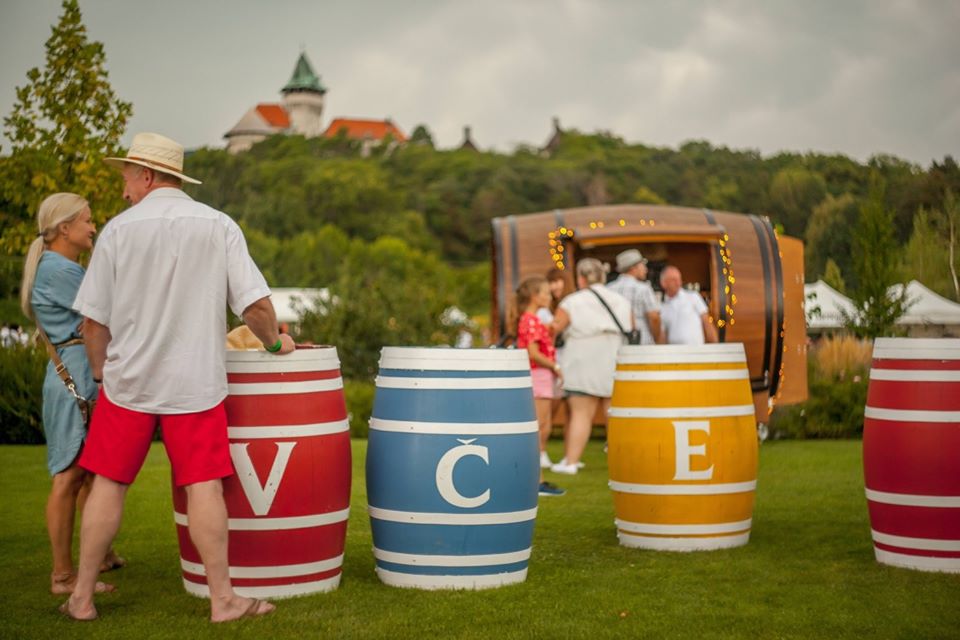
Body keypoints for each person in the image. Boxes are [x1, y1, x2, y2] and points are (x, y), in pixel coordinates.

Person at [61, 132, 296, 623]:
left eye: (127, 178)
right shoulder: (218, 226)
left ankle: (82, 597)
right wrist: (275, 343)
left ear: (147, 175)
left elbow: (93, 322)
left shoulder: (119, 232)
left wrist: (103, 371)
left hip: (128, 383)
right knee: (204, 487)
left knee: (108, 483)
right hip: (195, 382)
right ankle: (223, 601)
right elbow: (254, 306)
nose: (124, 191)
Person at [20, 193, 124, 596]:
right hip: (74, 380)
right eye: (87, 221)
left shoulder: (59, 267)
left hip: (76, 374)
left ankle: (102, 553)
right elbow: (110, 311)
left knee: (89, 472)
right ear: (64, 228)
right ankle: (63, 576)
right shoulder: (59, 270)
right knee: (69, 476)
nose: (93, 227)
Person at [550, 258, 631, 474]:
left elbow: (554, 329)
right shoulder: (621, 301)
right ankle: (623, 462)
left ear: (581, 278)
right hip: (614, 357)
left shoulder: (571, 302)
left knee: (581, 414)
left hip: (582, 360)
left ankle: (571, 462)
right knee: (614, 415)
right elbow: (631, 327)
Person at [513, 276, 564, 496]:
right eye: (544, 292)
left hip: (541, 376)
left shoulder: (531, 320)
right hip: (539, 376)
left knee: (543, 428)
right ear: (535, 296)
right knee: (539, 429)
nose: (548, 296)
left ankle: (538, 479)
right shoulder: (530, 320)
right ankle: (536, 481)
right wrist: (555, 366)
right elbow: (532, 353)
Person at [606, 248, 661, 345]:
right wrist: (656, 338)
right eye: (642, 265)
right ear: (632, 268)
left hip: (616, 343)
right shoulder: (643, 289)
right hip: (642, 343)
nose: (645, 269)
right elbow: (654, 318)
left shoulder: (609, 288)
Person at [659, 265, 718, 345]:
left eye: (679, 279)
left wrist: (715, 348)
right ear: (663, 283)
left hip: (696, 352)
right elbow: (663, 335)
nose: (678, 283)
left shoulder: (693, 296)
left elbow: (707, 323)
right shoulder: (661, 306)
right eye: (674, 280)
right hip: (673, 354)